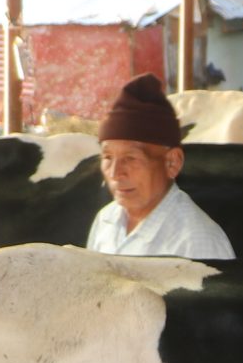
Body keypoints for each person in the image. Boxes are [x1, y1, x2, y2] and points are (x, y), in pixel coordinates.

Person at [84, 74, 235, 260]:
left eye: (131, 158)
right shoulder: (106, 221)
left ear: (172, 162)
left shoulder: (197, 242)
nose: (115, 173)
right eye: (107, 157)